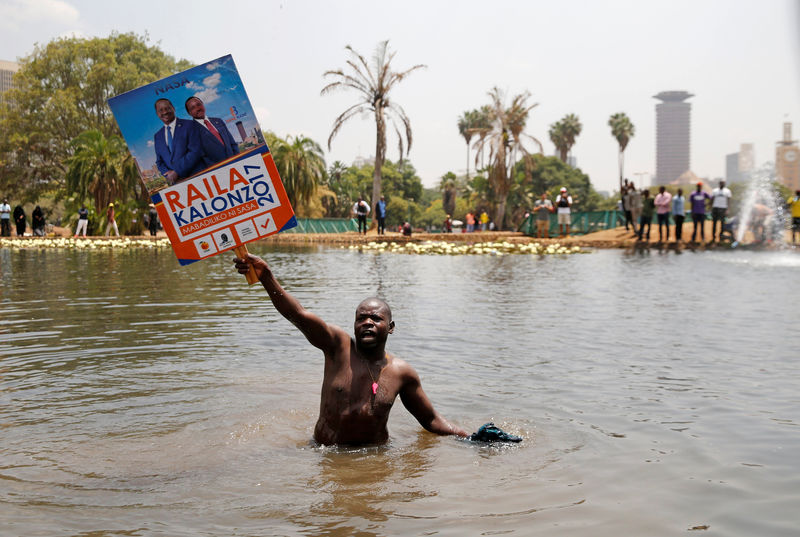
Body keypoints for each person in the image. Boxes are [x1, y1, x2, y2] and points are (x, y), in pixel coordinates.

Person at [232, 253, 469, 446]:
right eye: (361, 318)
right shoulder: (337, 346)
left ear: (391, 327)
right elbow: (298, 315)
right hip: (325, 452)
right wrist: (267, 278)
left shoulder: (402, 373)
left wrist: (472, 438)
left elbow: (431, 420)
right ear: (354, 324)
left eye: (376, 319)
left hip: (373, 458)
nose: (367, 322)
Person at [153, 98, 206, 185]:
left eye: (167, 108)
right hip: (177, 184)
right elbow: (159, 161)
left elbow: (195, 151)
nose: (165, 112)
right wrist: (168, 174)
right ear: (157, 114)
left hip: (198, 177)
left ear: (173, 108)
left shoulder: (190, 125)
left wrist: (177, 171)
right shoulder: (157, 136)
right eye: (160, 110)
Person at [185, 96, 239, 167]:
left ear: (203, 104)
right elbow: (201, 157)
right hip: (217, 170)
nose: (198, 108)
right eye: (193, 108)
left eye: (199, 104)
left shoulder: (218, 121)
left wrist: (238, 159)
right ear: (189, 113)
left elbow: (232, 143)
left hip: (236, 162)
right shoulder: (191, 131)